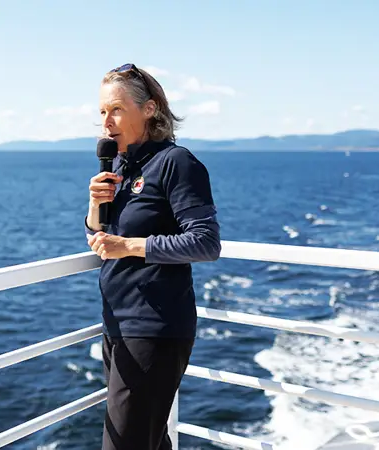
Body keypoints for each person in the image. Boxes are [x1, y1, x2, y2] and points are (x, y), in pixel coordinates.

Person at [84, 63, 221, 450]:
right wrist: (96, 207)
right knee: (149, 441)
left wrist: (130, 246)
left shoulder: (176, 163)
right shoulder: (123, 169)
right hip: (118, 325)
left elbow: (205, 242)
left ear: (149, 109)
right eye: (101, 112)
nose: (106, 122)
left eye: (116, 110)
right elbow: (99, 241)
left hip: (156, 328)